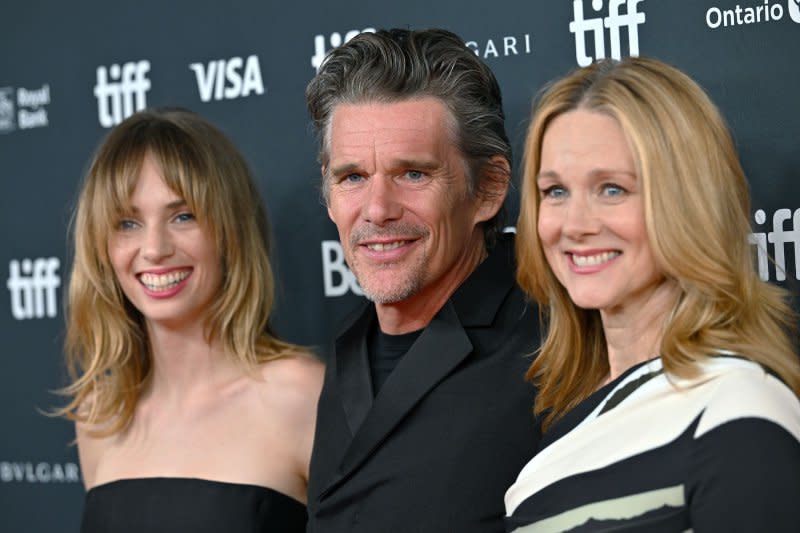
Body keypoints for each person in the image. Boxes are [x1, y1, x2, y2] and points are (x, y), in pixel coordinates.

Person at [506, 56, 800, 531]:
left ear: (687, 202)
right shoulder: (559, 427)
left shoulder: (737, 412)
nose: (576, 225)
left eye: (612, 189)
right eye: (555, 191)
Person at [304, 28, 540, 532]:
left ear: (489, 188)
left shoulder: (558, 345)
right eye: (352, 177)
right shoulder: (346, 352)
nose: (378, 209)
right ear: (328, 193)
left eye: (413, 173)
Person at [56, 108, 324, 533]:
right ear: (101, 247)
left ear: (230, 231)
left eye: (183, 217)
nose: (154, 248)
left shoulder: (303, 396)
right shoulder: (99, 416)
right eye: (127, 223)